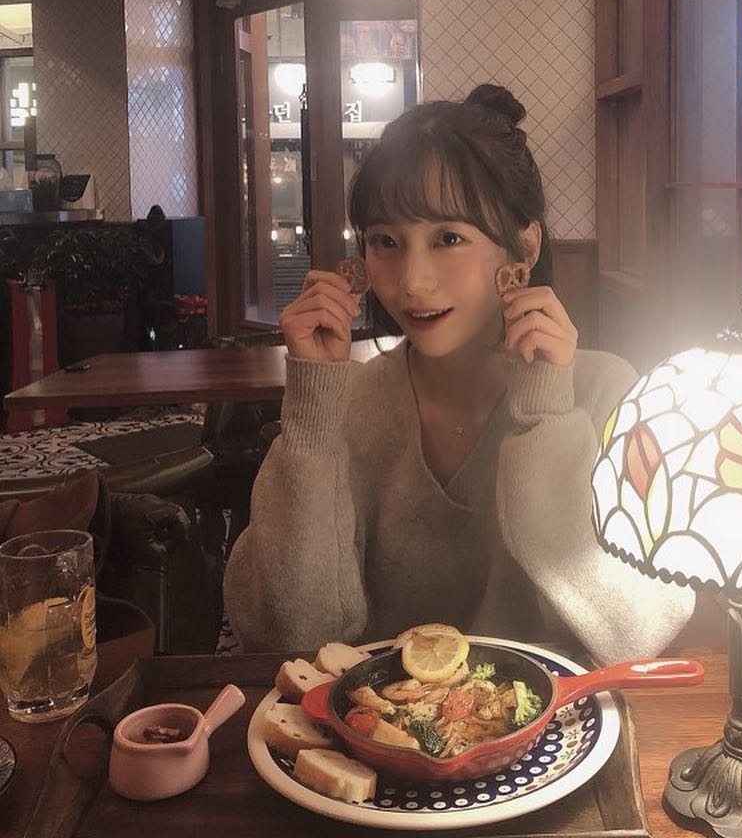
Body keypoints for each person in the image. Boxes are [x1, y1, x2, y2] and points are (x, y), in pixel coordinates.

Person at [223, 84, 695, 666]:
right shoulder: (349, 407)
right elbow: (288, 636)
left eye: (448, 238)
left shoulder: (606, 396)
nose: (413, 281)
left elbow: (631, 634)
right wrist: (312, 415)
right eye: (386, 242)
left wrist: (547, 414)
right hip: (379, 717)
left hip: (559, 718)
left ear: (523, 248)